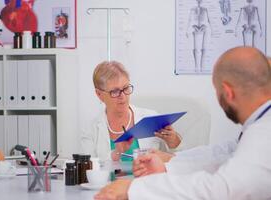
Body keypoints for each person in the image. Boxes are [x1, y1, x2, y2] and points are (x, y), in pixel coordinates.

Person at [94, 46, 271, 199]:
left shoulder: (264, 132)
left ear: (228, 92)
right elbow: (225, 153)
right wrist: (170, 163)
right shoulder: (260, 125)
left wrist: (134, 190)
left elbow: (222, 189)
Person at [81, 61, 182, 162]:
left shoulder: (151, 118)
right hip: (111, 179)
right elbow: (88, 168)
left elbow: (179, 160)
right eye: (115, 92)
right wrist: (116, 153)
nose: (123, 96)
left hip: (149, 178)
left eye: (126, 88)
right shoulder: (91, 130)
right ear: (99, 94)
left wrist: (174, 142)